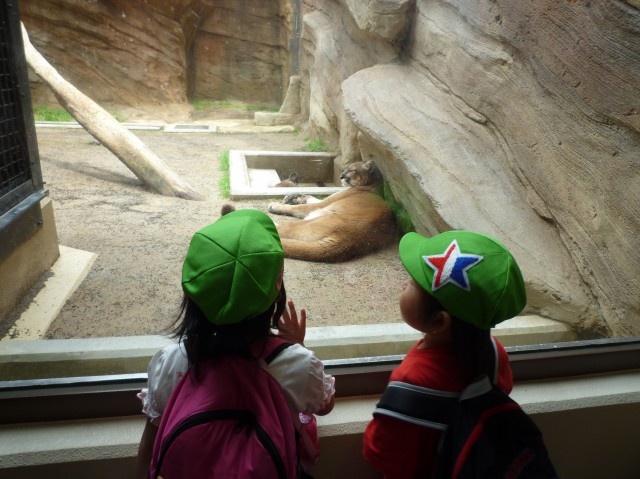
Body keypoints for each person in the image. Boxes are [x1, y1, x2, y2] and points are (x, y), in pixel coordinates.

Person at [136, 208, 335, 479]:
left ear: (190, 293)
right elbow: (325, 406)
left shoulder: (171, 362)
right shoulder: (297, 365)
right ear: (275, 293)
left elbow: (151, 442)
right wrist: (297, 346)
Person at [362, 230, 526, 478]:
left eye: (413, 284)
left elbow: (379, 451)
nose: (404, 284)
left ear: (439, 322)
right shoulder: (495, 352)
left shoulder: (411, 379)